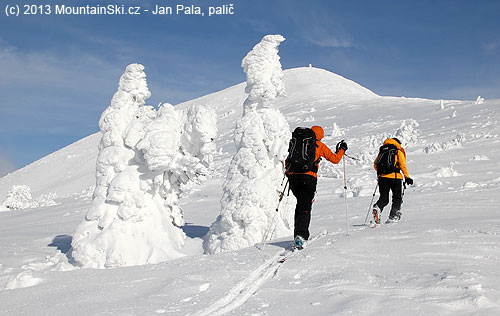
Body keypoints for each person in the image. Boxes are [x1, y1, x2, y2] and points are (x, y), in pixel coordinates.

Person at [287, 125, 347, 248]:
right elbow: (335, 159)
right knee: (305, 207)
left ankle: (298, 235)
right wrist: (342, 150)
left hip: (293, 179)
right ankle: (301, 237)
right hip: (308, 178)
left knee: (300, 206)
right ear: (319, 135)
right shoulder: (319, 145)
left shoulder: (299, 143)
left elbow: (288, 161)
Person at [372, 137, 413, 224]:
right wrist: (407, 177)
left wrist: (382, 172)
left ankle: (378, 207)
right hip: (395, 178)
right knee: (397, 198)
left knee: (384, 198)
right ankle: (393, 216)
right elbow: (402, 165)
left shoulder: (382, 151)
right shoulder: (397, 150)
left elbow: (375, 164)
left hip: (382, 178)